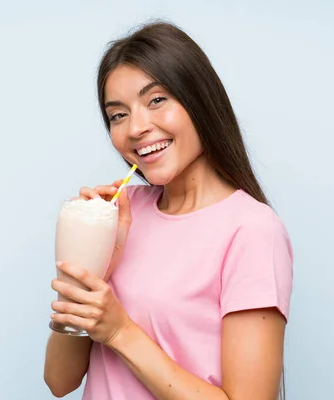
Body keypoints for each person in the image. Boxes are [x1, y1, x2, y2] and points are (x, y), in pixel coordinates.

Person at [44, 21, 293, 400]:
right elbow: (59, 381)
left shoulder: (252, 231)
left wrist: (119, 332)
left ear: (199, 100)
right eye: (118, 115)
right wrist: (91, 259)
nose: (137, 128)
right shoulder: (122, 215)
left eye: (156, 100)